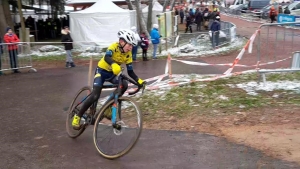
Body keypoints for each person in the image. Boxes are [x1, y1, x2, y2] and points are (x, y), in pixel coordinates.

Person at [72, 29, 145, 129]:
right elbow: (107, 57)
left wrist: (138, 80)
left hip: (112, 74)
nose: (131, 48)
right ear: (122, 42)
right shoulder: (114, 47)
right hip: (101, 71)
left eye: (132, 46)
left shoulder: (128, 54)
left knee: (124, 84)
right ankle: (78, 116)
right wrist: (113, 64)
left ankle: (107, 107)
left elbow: (130, 71)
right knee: (95, 95)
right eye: (129, 45)